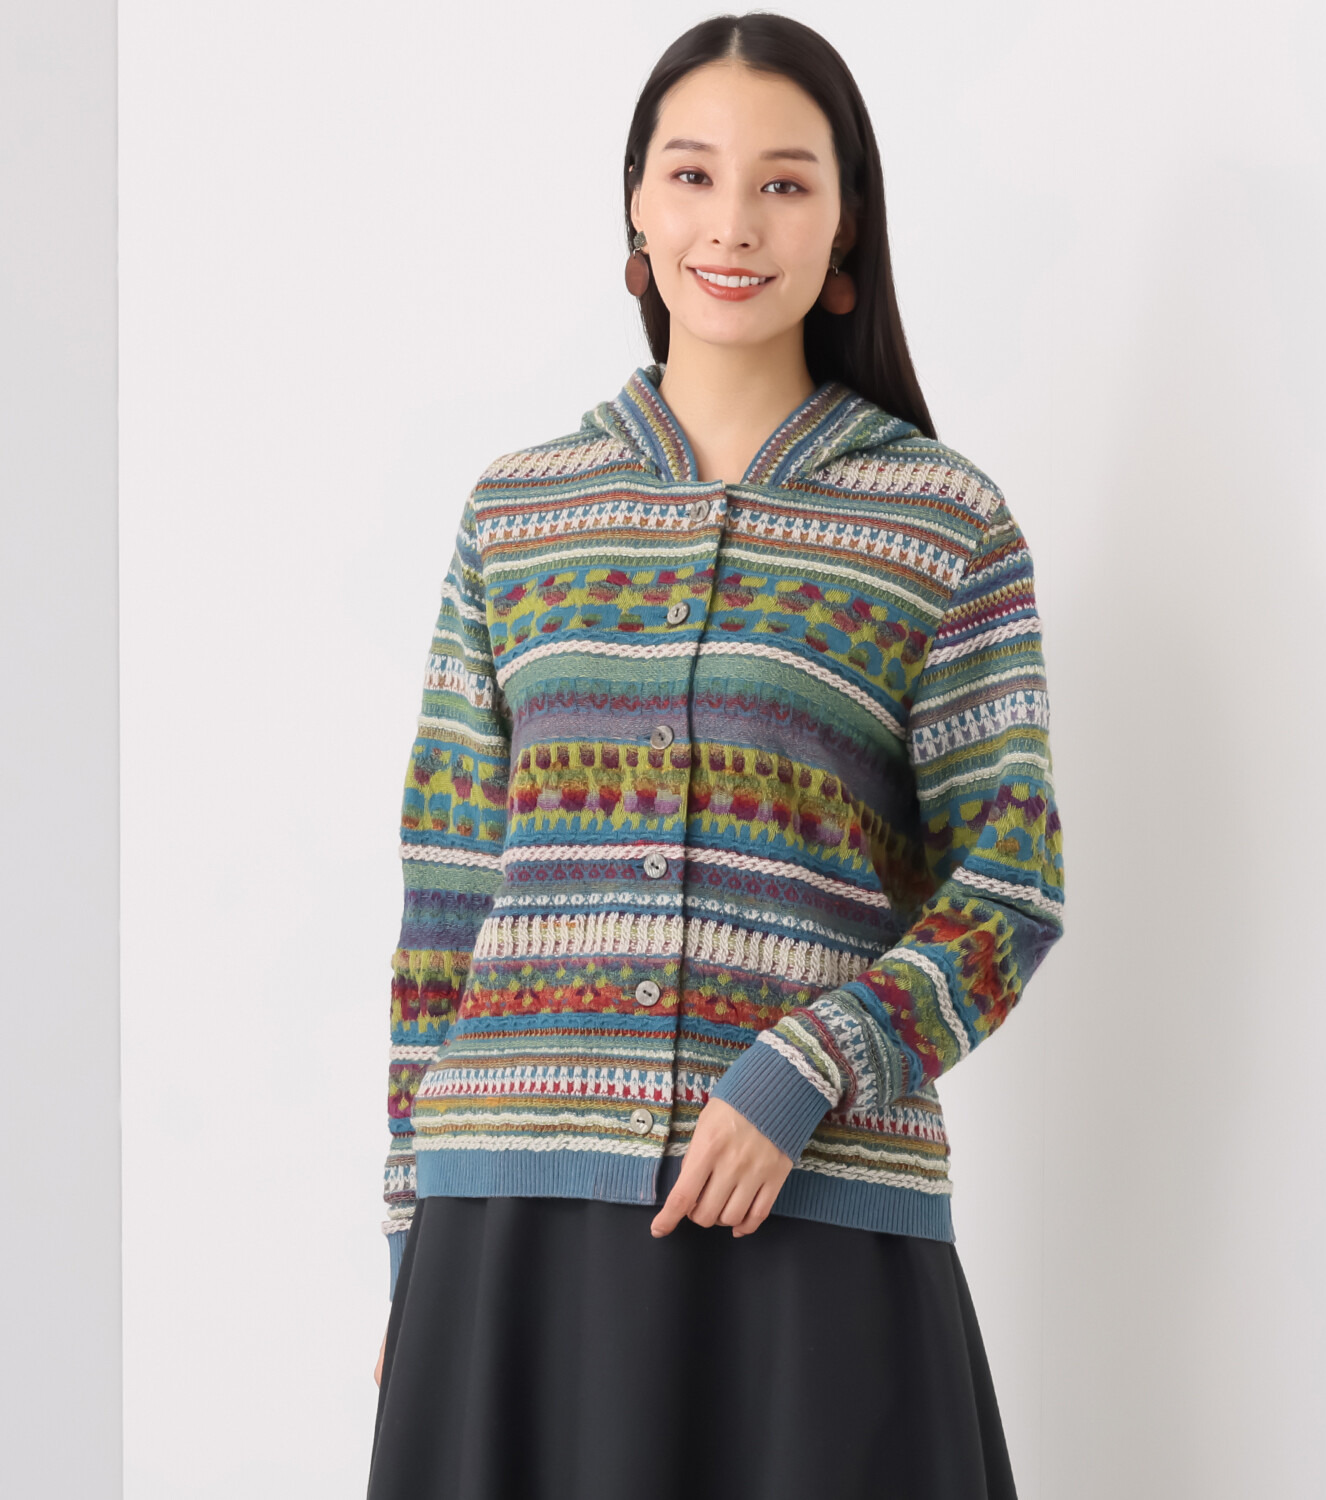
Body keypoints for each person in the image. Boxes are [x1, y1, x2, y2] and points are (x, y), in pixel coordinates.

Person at [366, 14, 1064, 1499]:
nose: (732, 224)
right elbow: (444, 909)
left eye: (784, 184)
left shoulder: (942, 524)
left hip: (812, 1216)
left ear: (845, 222)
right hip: (511, 1227)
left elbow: (1010, 891)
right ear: (635, 202)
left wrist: (805, 1071)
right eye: (691, 175)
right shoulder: (517, 517)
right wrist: (410, 1237)